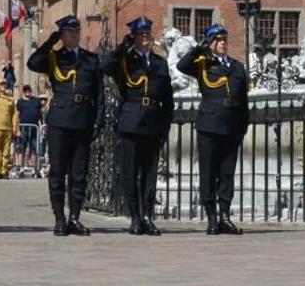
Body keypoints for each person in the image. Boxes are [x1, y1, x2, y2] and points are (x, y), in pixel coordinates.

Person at [27, 15, 103, 236]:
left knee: (79, 173)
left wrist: (98, 120)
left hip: (83, 119)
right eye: (70, 32)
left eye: (77, 32)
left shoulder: (91, 60)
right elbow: (32, 63)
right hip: (60, 120)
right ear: (62, 35)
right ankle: (59, 218)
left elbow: (99, 94)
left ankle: (75, 218)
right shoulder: (53, 58)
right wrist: (51, 42)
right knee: (58, 172)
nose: (75, 35)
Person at [103, 16, 175, 235]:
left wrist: (165, 126)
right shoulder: (125, 61)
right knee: (130, 173)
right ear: (134, 37)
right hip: (131, 120)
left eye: (147, 34)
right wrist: (123, 48)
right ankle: (134, 216)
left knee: (150, 175)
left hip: (153, 121)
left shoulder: (159, 62)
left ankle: (147, 216)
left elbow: (168, 99)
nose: (145, 38)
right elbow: (104, 66)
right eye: (141, 35)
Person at [180, 23, 249, 235]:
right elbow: (182, 66)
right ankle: (211, 217)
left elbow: (244, 101)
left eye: (224, 40)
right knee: (208, 172)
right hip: (209, 126)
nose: (222, 44)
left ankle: (225, 216)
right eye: (218, 41)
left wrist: (243, 126)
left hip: (231, 127)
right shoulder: (202, 64)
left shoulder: (237, 67)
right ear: (211, 43)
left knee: (227, 174)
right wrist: (200, 49)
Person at [15, 85, 43, 175]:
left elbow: (40, 114)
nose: (28, 92)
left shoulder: (36, 101)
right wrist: (17, 129)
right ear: (23, 92)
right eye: (26, 90)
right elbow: (17, 115)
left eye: (29, 90)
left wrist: (42, 126)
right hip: (23, 128)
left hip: (34, 128)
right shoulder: (20, 102)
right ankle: (21, 167)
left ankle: (34, 167)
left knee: (34, 148)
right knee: (22, 148)